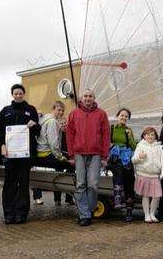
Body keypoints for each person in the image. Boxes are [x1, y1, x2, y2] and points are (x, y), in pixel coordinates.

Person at [0, 84, 40, 224]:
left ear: (23, 94)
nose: (18, 95)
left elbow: (37, 131)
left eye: (20, 93)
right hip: (10, 154)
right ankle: (8, 213)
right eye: (16, 93)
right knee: (9, 184)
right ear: (12, 94)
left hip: (25, 155)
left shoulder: (31, 109)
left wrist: (35, 125)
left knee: (23, 183)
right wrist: (2, 145)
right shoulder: (5, 111)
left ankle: (21, 213)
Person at [66, 89, 110, 227]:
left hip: (96, 154)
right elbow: (69, 135)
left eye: (90, 96)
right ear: (81, 98)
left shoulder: (101, 114)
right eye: (85, 96)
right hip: (79, 153)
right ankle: (84, 215)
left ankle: (88, 211)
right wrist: (71, 154)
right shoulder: (74, 114)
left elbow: (106, 135)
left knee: (93, 184)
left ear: (94, 98)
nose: (87, 98)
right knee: (80, 184)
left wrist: (104, 156)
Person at [31, 101, 73, 208]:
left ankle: (62, 192)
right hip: (46, 154)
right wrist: (61, 157)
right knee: (73, 164)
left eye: (62, 111)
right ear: (53, 109)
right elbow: (54, 143)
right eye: (59, 110)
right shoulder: (52, 122)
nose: (61, 112)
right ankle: (66, 186)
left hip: (39, 154)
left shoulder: (43, 119)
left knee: (69, 159)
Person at [108, 108, 137, 222]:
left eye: (126, 116)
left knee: (129, 179)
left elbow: (134, 147)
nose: (124, 118)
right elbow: (106, 143)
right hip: (114, 158)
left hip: (126, 157)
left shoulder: (128, 130)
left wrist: (129, 136)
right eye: (122, 115)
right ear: (118, 116)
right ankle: (118, 199)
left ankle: (129, 210)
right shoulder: (112, 129)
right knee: (118, 170)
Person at [132, 127, 162, 223]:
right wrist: (139, 157)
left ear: (155, 136)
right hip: (143, 173)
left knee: (157, 196)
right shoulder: (140, 145)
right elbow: (133, 160)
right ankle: (147, 215)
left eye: (152, 134)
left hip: (155, 174)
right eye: (148, 134)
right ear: (144, 136)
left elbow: (162, 159)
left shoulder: (159, 146)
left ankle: (152, 213)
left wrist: (162, 169)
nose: (150, 136)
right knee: (145, 196)